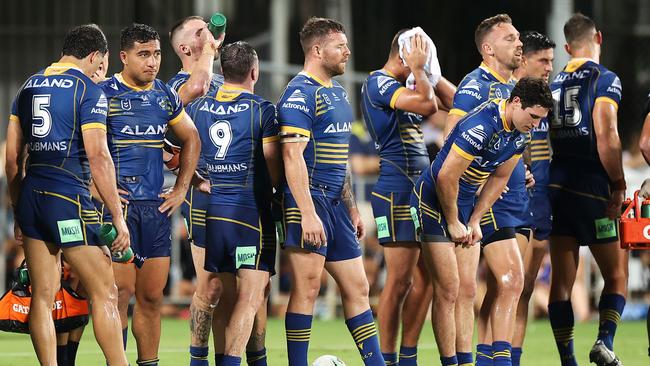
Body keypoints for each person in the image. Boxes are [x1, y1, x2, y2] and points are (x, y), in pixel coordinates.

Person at [5, 24, 129, 366]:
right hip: (67, 198)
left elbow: (13, 161)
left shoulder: (27, 87)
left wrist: (18, 211)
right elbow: (98, 155)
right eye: (101, 64)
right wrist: (117, 217)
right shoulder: (87, 90)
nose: (101, 71)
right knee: (105, 292)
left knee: (42, 298)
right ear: (94, 56)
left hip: (32, 197)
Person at [411, 77, 552, 366]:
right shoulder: (482, 125)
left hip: (465, 202)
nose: (536, 124)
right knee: (448, 288)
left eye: (541, 119)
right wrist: (453, 221)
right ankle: (451, 363)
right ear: (515, 103)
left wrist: (475, 219)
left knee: (468, 289)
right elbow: (445, 176)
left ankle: (467, 362)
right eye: (533, 116)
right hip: (434, 198)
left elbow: (499, 178)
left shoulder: (521, 133)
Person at [277, 17, 384, 366]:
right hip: (307, 200)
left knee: (359, 288)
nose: (348, 52)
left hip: (338, 204)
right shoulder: (298, 93)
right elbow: (292, 157)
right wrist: (307, 212)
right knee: (308, 289)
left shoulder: (337, 92)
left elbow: (342, 157)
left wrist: (352, 206)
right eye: (341, 46)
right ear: (318, 50)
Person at [100, 23, 201, 366]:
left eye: (157, 53)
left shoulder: (165, 95)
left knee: (152, 298)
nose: (153, 61)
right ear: (124, 57)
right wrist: (96, 187)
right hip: (119, 210)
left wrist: (182, 188)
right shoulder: (103, 93)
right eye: (144, 54)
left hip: (155, 210)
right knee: (119, 295)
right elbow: (81, 148)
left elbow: (192, 139)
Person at [360, 29, 455, 366]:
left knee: (428, 277)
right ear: (403, 54)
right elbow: (429, 104)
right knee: (399, 280)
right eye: (419, 53)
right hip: (395, 188)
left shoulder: (410, 83)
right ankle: (384, 359)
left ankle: (408, 356)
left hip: (420, 186)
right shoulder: (379, 83)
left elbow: (457, 103)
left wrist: (430, 72)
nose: (423, 60)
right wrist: (417, 70)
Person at [187, 40, 281, 366]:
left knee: (217, 293)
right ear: (254, 72)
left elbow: (172, 151)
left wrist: (197, 180)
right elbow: (272, 163)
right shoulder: (263, 109)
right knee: (251, 296)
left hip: (210, 212)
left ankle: (201, 360)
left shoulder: (197, 108)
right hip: (249, 212)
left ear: (222, 71)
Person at [442, 14, 526, 366]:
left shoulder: (512, 89)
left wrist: (525, 170)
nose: (518, 42)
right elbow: (451, 138)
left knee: (503, 285)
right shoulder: (477, 85)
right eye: (509, 38)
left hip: (502, 197)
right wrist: (474, 184)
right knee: (470, 288)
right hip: (476, 199)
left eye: (518, 36)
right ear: (488, 49)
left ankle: (492, 360)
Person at [547, 13, 627, 366]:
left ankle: (568, 360)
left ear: (566, 48)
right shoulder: (605, 79)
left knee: (562, 282)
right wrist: (619, 184)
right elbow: (606, 133)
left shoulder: (552, 84)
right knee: (616, 275)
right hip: (593, 186)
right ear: (599, 37)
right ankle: (604, 341)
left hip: (557, 184)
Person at [510, 31, 555, 366]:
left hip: (538, 201)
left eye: (552, 61)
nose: (549, 67)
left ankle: (512, 359)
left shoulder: (546, 100)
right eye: (543, 60)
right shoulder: (508, 95)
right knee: (507, 287)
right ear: (524, 59)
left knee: (523, 289)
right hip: (509, 201)